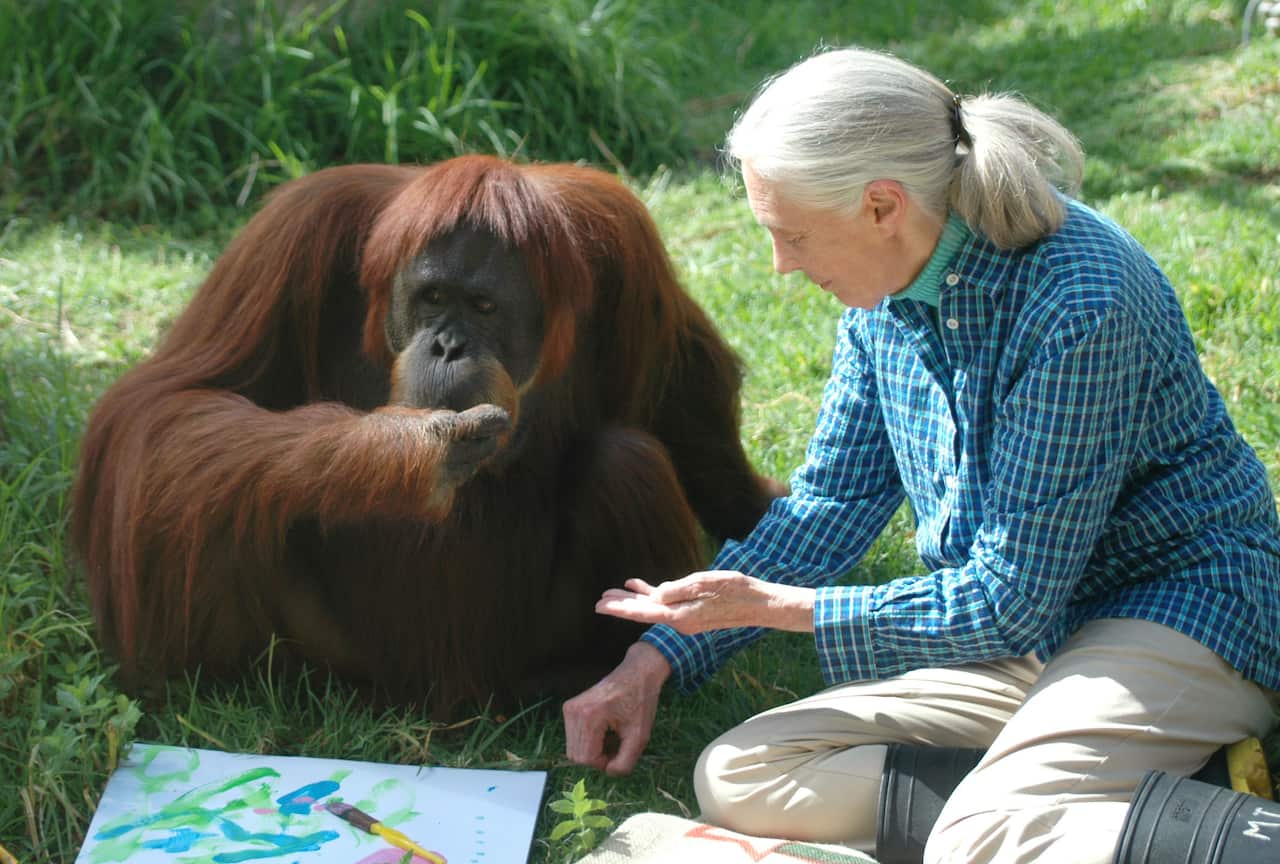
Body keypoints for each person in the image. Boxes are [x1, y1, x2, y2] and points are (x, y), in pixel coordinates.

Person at [561, 46, 1280, 864]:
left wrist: (774, 605)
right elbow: (830, 507)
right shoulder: (886, 296)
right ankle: (1125, 801)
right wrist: (657, 659)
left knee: (976, 840)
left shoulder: (1083, 302)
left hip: (1177, 611)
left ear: (881, 206)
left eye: (791, 234)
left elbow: (1008, 600)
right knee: (741, 773)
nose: (780, 265)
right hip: (1031, 642)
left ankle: (1177, 825)